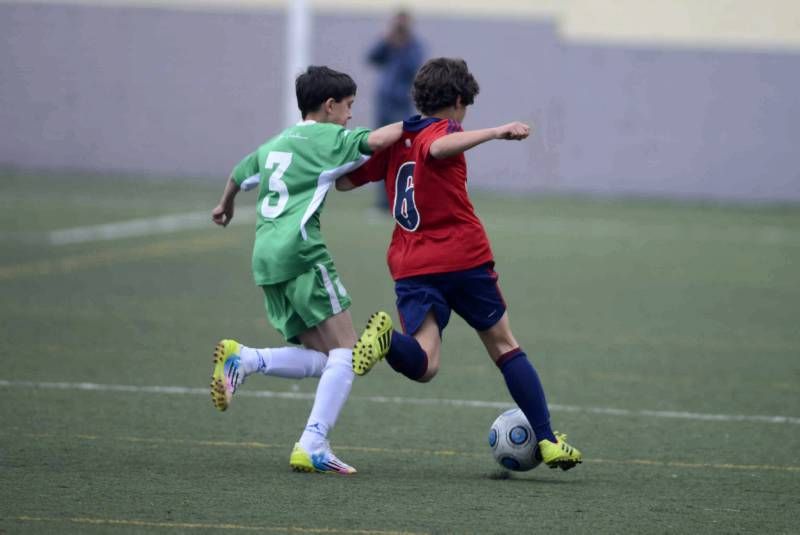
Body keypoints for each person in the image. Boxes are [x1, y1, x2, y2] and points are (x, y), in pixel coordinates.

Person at [336, 57, 583, 471]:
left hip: (412, 264)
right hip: (462, 258)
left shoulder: (399, 136)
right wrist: (495, 132)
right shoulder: (442, 130)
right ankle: (546, 439)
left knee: (426, 364)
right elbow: (438, 147)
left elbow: (345, 181)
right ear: (456, 100)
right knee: (504, 345)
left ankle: (387, 342)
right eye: (466, 107)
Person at [210, 65, 401, 475]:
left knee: (324, 356)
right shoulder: (327, 137)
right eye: (349, 106)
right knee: (348, 352)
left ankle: (245, 360)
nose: (351, 115)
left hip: (265, 258)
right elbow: (378, 139)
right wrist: (421, 123)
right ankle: (313, 442)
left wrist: (224, 205)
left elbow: (238, 174)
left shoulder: (278, 142)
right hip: (302, 254)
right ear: (329, 106)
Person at [366, 9, 425, 211]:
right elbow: (371, 57)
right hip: (383, 105)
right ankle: (383, 202)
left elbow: (414, 68)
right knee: (380, 154)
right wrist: (387, 40)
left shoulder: (414, 46)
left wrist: (402, 46)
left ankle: (401, 201)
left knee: (400, 155)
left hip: (401, 107)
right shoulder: (388, 43)